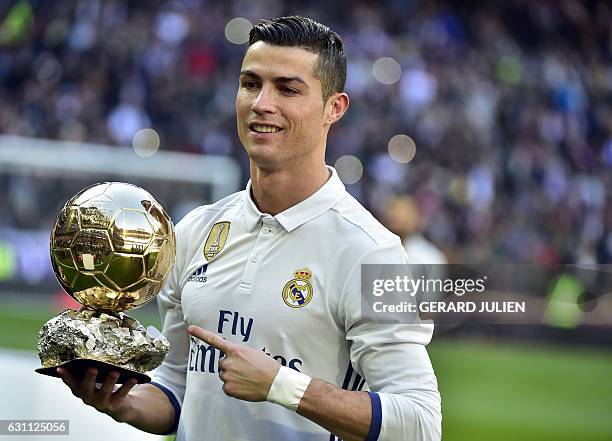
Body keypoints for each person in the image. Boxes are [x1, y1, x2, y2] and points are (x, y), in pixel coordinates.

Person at [58, 16, 441, 441]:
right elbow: (178, 387)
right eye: (251, 83)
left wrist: (282, 386)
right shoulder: (196, 230)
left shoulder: (369, 251)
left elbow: (420, 422)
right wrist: (124, 403)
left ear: (334, 107)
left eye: (288, 88)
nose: (261, 103)